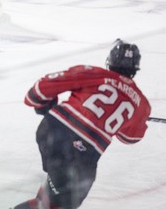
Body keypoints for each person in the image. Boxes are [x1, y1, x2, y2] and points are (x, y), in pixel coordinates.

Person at [13, 39, 151, 209]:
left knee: (54, 196)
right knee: (59, 204)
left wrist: (42, 105)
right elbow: (131, 137)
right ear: (135, 68)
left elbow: (40, 89)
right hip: (81, 153)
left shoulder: (94, 73)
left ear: (111, 61)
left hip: (52, 131)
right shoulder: (141, 103)